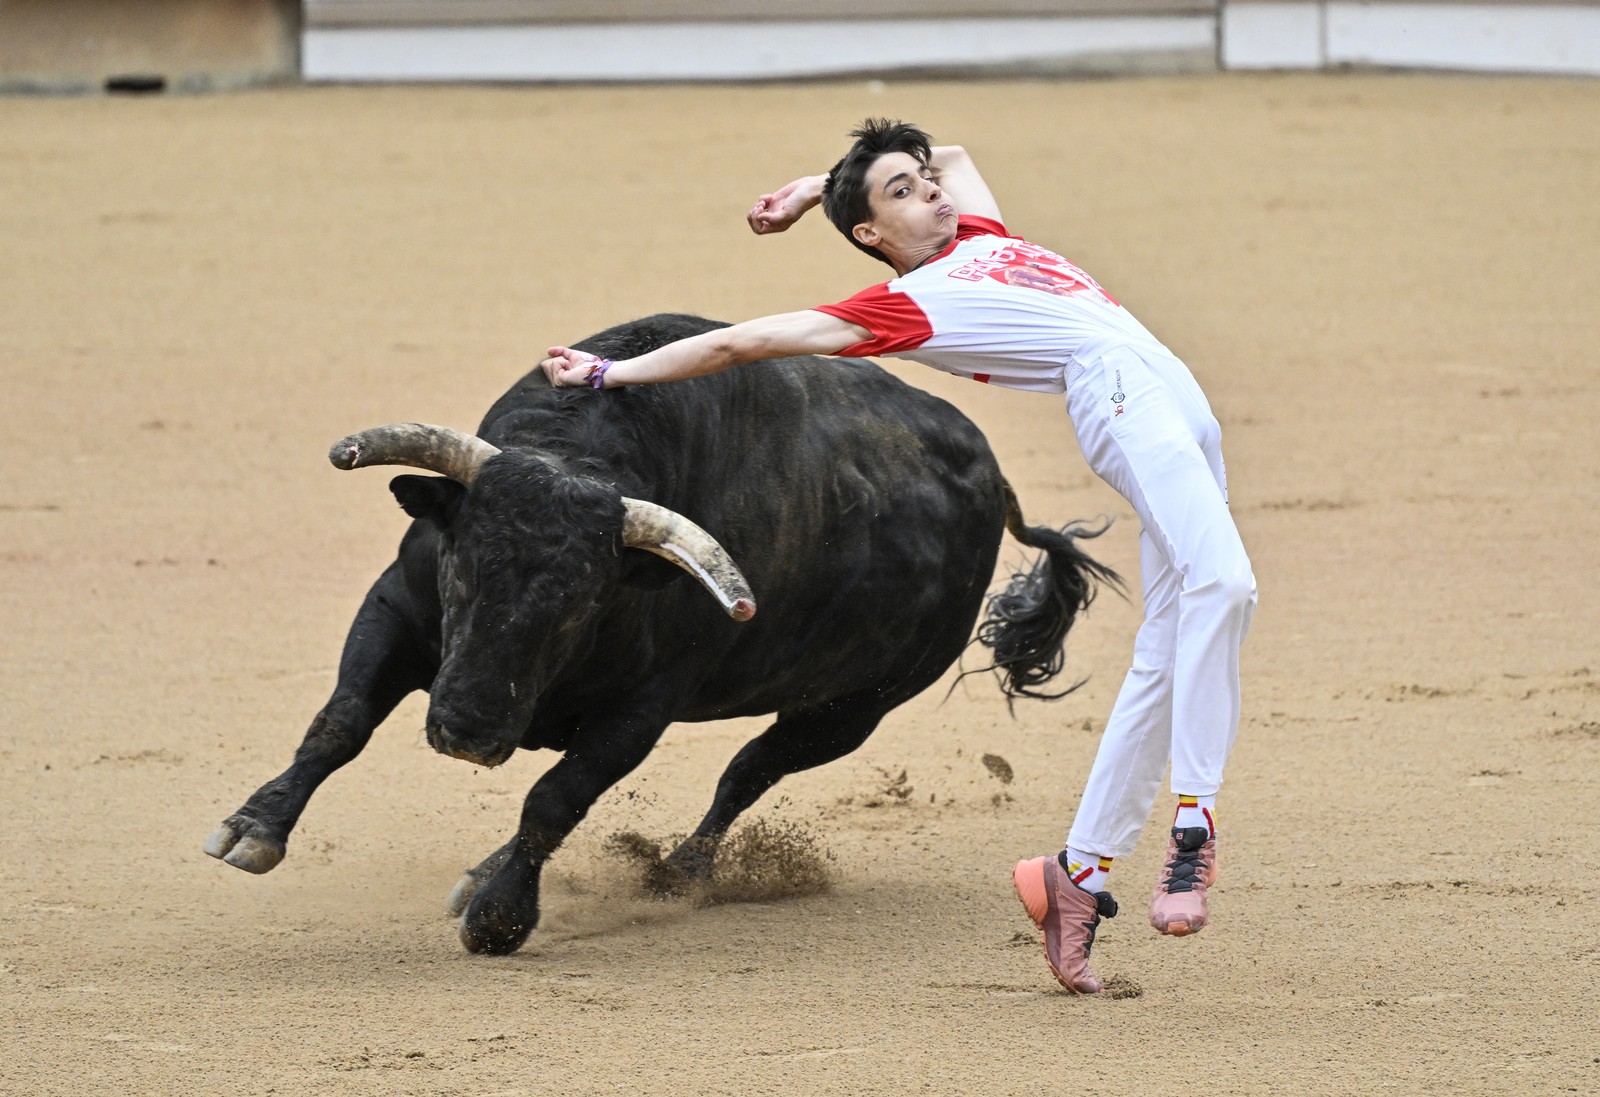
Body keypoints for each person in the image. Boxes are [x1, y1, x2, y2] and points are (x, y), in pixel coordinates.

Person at [541, 119, 1257, 995]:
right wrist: (610, 374)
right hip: (1121, 399)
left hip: (1178, 401)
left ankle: (1079, 875)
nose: (934, 192)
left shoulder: (984, 238)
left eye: (924, 182)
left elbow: (952, 155)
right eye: (904, 193)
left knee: (1168, 647)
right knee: (1226, 582)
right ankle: (1194, 824)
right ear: (873, 237)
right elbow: (738, 343)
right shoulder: (901, 306)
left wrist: (817, 187)